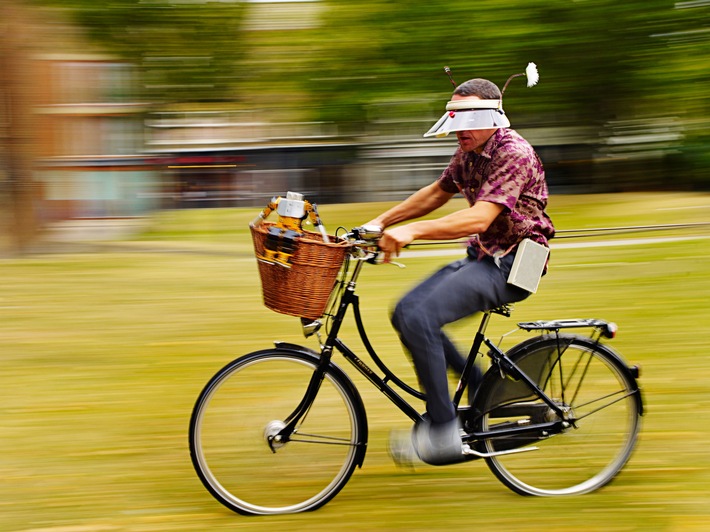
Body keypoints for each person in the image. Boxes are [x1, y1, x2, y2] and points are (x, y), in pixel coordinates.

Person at [365, 73, 555, 466]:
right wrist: (379, 223)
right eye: (453, 118)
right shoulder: (468, 151)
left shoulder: (512, 151)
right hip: (484, 257)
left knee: (421, 319)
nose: (457, 129)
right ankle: (482, 389)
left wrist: (412, 231)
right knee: (405, 312)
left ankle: (443, 430)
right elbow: (438, 191)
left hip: (513, 265)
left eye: (465, 119)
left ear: (493, 115)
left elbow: (480, 218)